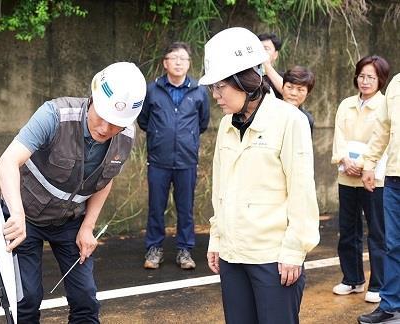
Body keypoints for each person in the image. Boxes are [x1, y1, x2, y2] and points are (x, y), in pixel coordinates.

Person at [0, 62, 146, 323]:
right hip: (25, 217)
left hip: (69, 222)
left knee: (86, 299)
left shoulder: (126, 136)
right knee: (27, 299)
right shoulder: (55, 115)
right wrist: (17, 214)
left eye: (115, 125)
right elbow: (7, 161)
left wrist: (88, 226)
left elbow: (105, 179)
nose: (105, 129)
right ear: (93, 99)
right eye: (101, 117)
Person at [201, 27, 320, 324]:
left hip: (273, 257)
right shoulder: (227, 126)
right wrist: (216, 238)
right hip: (232, 254)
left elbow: (302, 189)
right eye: (212, 88)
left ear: (246, 80)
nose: (216, 96)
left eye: (220, 87)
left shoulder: (289, 120)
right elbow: (221, 189)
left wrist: (295, 249)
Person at [137, 42, 210, 270]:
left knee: (185, 208)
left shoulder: (199, 91)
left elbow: (203, 123)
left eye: (183, 58)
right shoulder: (152, 90)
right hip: (159, 160)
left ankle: (185, 250)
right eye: (174, 58)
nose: (179, 62)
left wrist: (185, 139)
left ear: (189, 64)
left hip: (187, 160)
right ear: (165, 62)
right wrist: (161, 137)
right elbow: (144, 120)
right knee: (156, 207)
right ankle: (154, 249)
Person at [331, 55, 390, 304]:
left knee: (377, 232)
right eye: (361, 76)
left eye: (371, 77)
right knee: (347, 230)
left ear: (381, 80)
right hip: (347, 176)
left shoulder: (386, 106)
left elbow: (384, 141)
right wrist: (345, 161)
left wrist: (365, 164)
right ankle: (352, 279)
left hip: (373, 179)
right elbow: (339, 137)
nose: (365, 81)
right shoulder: (346, 104)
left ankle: (378, 284)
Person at [358, 73, 400, 323]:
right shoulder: (396, 83)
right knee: (393, 245)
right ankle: (391, 304)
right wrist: (369, 162)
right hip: (395, 179)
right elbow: (384, 127)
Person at [281, 65, 315, 134]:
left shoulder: (307, 120)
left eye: (300, 90)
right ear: (282, 87)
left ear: (307, 93)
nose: (293, 93)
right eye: (289, 87)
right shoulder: (268, 112)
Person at [258, 32, 284, 99]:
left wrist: (267, 65)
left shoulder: (282, 77)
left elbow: (286, 92)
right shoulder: (247, 73)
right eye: (258, 48)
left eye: (266, 48)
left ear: (275, 55)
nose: (261, 51)